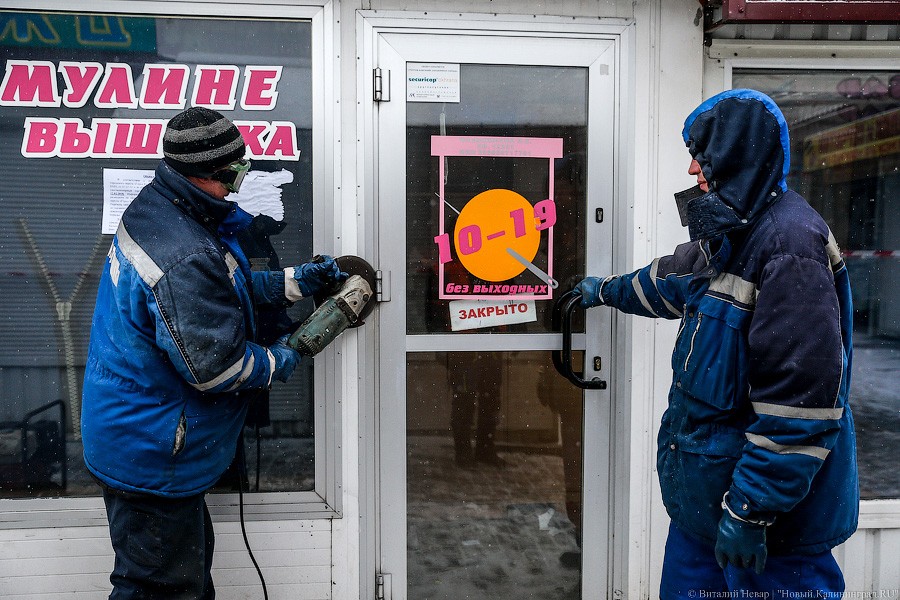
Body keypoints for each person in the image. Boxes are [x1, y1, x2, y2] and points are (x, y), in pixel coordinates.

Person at [575, 89, 857, 599]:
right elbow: (668, 281)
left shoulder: (790, 246)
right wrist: (603, 291)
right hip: (705, 516)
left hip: (768, 534)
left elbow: (800, 406)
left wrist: (750, 510)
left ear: (738, 154)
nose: (691, 170)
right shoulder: (732, 234)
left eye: (701, 155)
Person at [81, 106, 347, 599]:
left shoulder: (166, 209)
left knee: (181, 578)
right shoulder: (183, 250)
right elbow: (217, 368)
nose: (238, 186)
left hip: (144, 435)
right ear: (204, 173)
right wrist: (288, 353)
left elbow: (221, 291)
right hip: (152, 450)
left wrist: (296, 281)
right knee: (160, 589)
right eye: (235, 175)